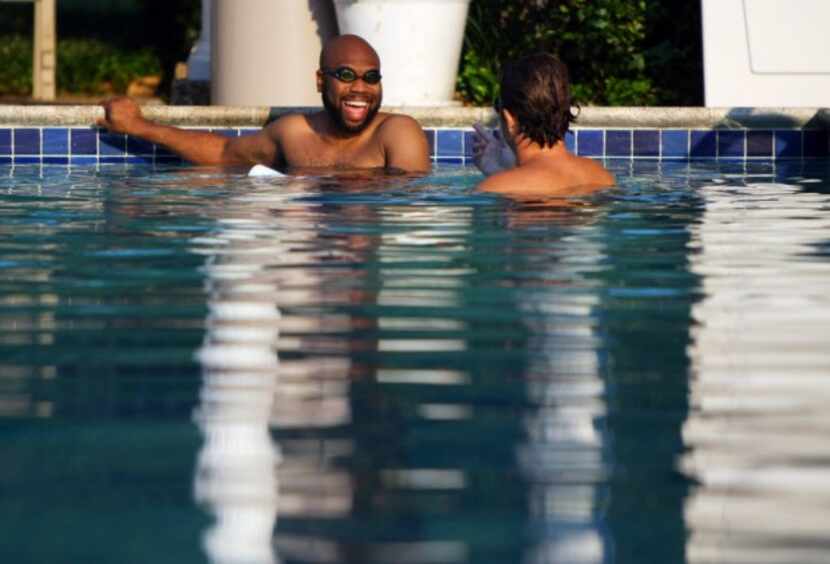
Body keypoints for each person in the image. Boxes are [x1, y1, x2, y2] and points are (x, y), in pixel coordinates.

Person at [98, 35, 431, 174]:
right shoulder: (293, 134)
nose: (361, 88)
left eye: (371, 78)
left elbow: (407, 208)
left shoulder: (397, 132)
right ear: (320, 80)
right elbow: (224, 154)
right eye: (346, 75)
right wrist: (139, 127)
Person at [472, 53, 614, 196]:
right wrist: (499, 171)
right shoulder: (602, 176)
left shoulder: (495, 188)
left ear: (510, 119)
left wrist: (497, 179)